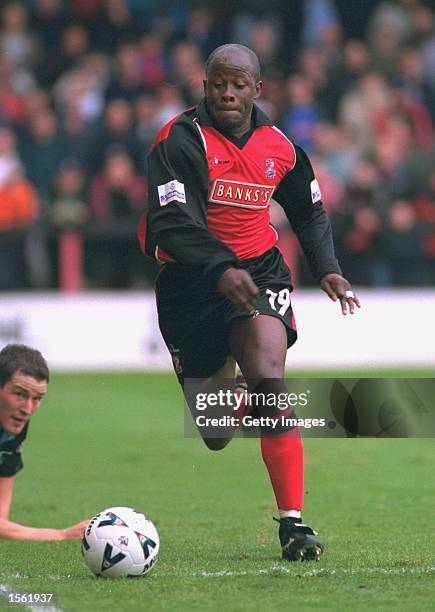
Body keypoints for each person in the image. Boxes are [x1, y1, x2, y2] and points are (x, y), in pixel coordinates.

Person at [139, 44, 361, 562]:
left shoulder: (279, 146)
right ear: (205, 85)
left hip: (258, 273)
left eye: (239, 84)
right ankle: (235, 399)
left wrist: (328, 266)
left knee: (270, 378)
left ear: (257, 89)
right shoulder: (180, 140)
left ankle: (294, 525)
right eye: (219, 83)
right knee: (215, 432)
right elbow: (172, 222)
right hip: (191, 283)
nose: (228, 93)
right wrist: (220, 267)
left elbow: (308, 211)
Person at [0, 344, 88, 540]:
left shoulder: (12, 422)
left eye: (37, 398)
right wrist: (60, 534)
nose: (28, 408)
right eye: (20, 394)